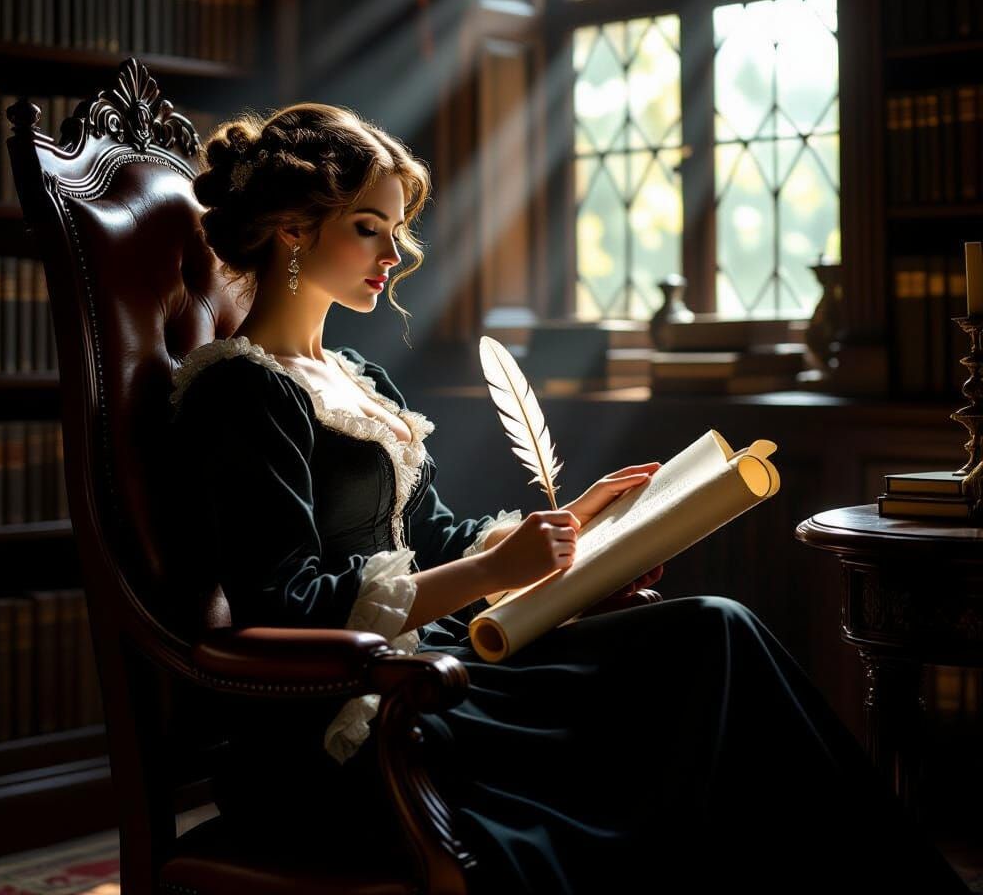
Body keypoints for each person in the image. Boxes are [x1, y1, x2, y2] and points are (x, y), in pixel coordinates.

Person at [167, 102, 968, 894]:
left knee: (715, 629)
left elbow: (436, 536)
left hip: (429, 663)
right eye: (370, 227)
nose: (397, 253)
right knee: (703, 656)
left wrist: (576, 522)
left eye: (398, 228)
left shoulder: (360, 380)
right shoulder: (241, 393)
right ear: (295, 230)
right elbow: (287, 605)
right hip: (343, 722)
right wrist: (493, 576)